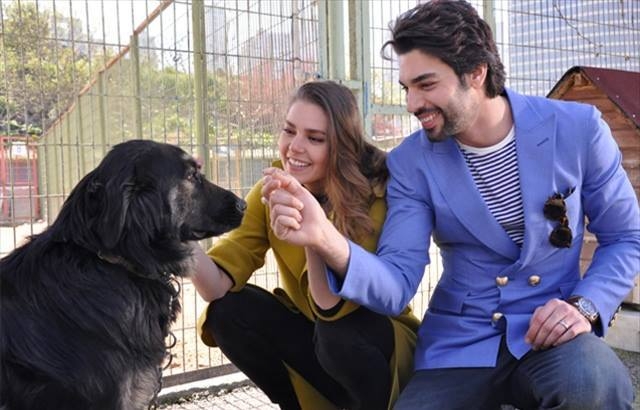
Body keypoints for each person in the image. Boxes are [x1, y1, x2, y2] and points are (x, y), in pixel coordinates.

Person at [262, 1, 640, 409]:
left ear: (476, 72)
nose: (412, 103)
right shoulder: (411, 163)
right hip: (462, 343)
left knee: (594, 385)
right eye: (407, 88)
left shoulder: (578, 129)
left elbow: (626, 236)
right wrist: (324, 237)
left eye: (426, 84)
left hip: (552, 332)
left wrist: (584, 306)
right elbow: (396, 284)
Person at [192, 80, 419, 410]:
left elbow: (332, 308)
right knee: (227, 311)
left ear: (342, 147)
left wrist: (314, 236)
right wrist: (176, 233)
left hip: (379, 351)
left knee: (338, 335)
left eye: (314, 138)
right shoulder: (273, 190)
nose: (294, 147)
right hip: (320, 338)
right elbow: (215, 287)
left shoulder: (375, 196)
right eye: (289, 131)